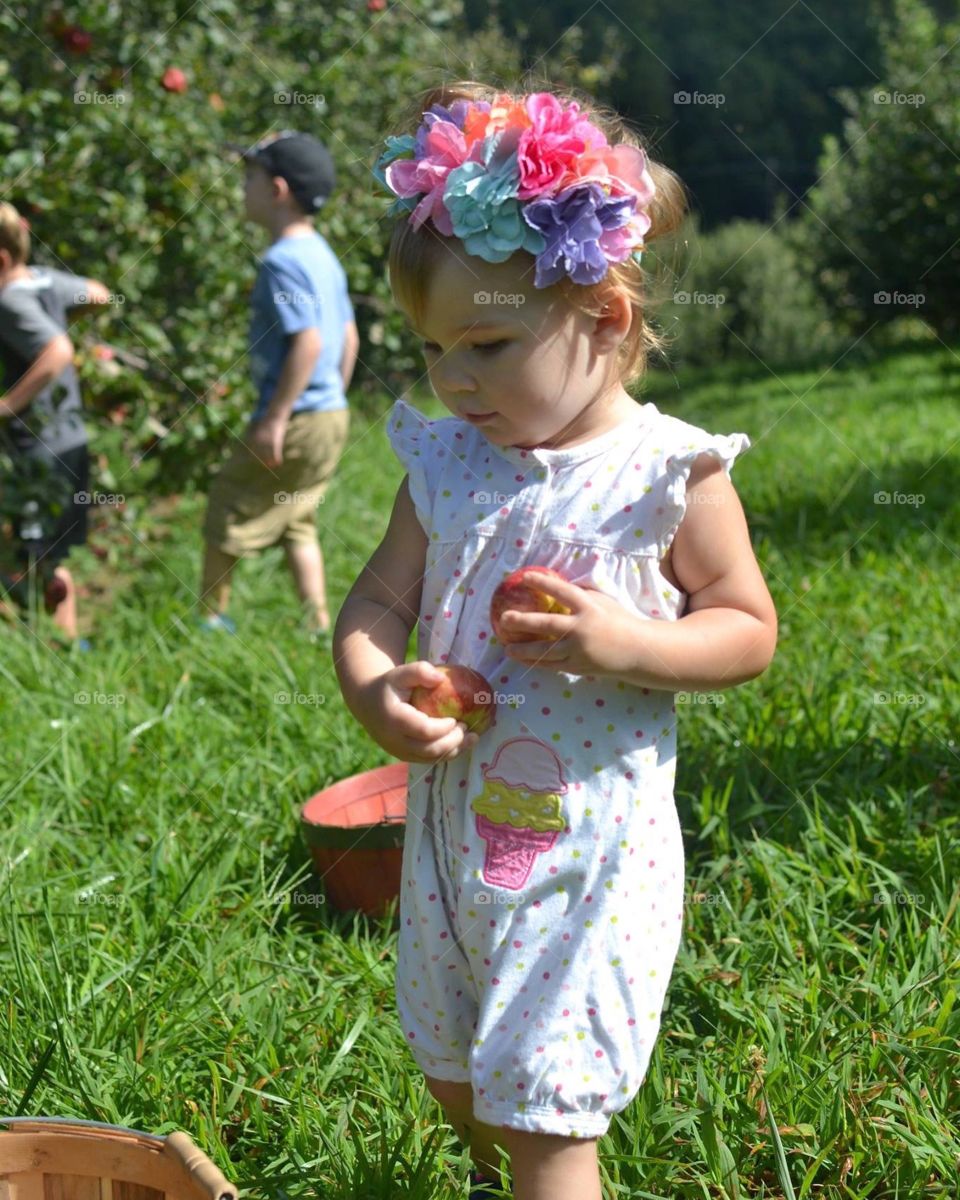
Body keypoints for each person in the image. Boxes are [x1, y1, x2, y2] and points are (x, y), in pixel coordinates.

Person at [333, 83, 778, 1200]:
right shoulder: (445, 461)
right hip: (450, 848)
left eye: (486, 342)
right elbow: (377, 603)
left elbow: (746, 630)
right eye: (434, 347)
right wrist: (377, 687)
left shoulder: (666, 474)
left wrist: (628, 644)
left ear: (608, 322)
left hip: (591, 855)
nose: (454, 378)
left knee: (546, 1115)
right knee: (456, 1078)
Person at [199, 130, 359, 638]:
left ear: (278, 190)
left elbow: (308, 342)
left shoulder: (281, 262)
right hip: (329, 413)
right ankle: (316, 623)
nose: (241, 188)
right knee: (296, 516)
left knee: (228, 505)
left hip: (294, 416)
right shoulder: (322, 254)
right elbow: (347, 336)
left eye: (249, 178)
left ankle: (209, 621)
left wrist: (277, 416)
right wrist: (330, 396)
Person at [0, 201, 111, 647]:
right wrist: (60, 314)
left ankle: (57, 648)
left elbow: (58, 352)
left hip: (37, 447)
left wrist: (7, 405)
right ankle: (66, 646)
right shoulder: (43, 280)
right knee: (52, 549)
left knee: (35, 548)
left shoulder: (8, 300)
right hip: (70, 438)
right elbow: (99, 293)